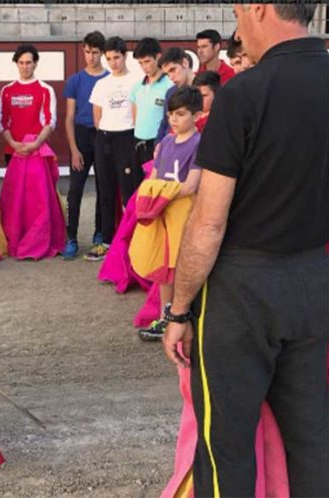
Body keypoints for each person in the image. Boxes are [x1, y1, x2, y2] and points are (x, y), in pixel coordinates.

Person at [162, 5, 328, 497]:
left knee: (226, 442)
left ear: (259, 8)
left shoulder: (244, 93)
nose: (236, 30)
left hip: (243, 289)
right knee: (312, 435)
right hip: (315, 275)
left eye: (238, 12)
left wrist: (180, 309)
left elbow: (208, 223)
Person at [136, 87, 203, 341]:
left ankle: (190, 318)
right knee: (165, 269)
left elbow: (190, 186)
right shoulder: (165, 142)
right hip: (163, 213)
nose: (174, 120)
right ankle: (166, 318)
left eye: (181, 114)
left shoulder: (200, 143)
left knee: (185, 266)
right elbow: (153, 177)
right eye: (171, 114)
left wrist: (159, 192)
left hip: (185, 215)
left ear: (196, 116)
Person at [85, 36, 141, 261]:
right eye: (108, 58)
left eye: (116, 57)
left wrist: (128, 134)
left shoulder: (136, 80)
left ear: (124, 56)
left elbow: (137, 113)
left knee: (129, 192)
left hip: (127, 138)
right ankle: (106, 242)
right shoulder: (102, 84)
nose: (113, 62)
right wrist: (107, 132)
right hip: (105, 139)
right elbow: (97, 117)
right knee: (105, 191)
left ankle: (132, 242)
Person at [62, 31, 110, 260]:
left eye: (95, 53)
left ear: (102, 53)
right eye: (87, 52)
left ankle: (99, 234)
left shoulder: (110, 79)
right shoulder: (75, 80)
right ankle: (71, 237)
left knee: (104, 188)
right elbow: (69, 117)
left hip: (102, 134)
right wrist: (73, 149)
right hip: (81, 135)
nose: (90, 57)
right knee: (75, 189)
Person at [0, 44, 56, 165]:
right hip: (13, 149)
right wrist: (12, 143)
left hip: (38, 149)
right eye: (21, 62)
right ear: (17, 64)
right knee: (14, 185)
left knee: (38, 185)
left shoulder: (46, 89)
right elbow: (2, 121)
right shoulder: (7, 90)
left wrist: (36, 144)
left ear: (35, 64)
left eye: (28, 63)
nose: (25, 67)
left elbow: (50, 122)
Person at [130, 37, 173, 195]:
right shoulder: (136, 87)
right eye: (140, 63)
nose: (144, 67)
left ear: (158, 56)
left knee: (154, 193)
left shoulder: (169, 86)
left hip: (157, 145)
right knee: (137, 192)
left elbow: (170, 121)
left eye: (147, 61)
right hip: (137, 143)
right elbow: (135, 117)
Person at [155, 48, 195, 144]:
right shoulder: (170, 92)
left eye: (173, 70)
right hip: (171, 146)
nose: (171, 77)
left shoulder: (204, 90)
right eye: (167, 74)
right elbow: (165, 123)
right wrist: (158, 144)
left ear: (185, 63)